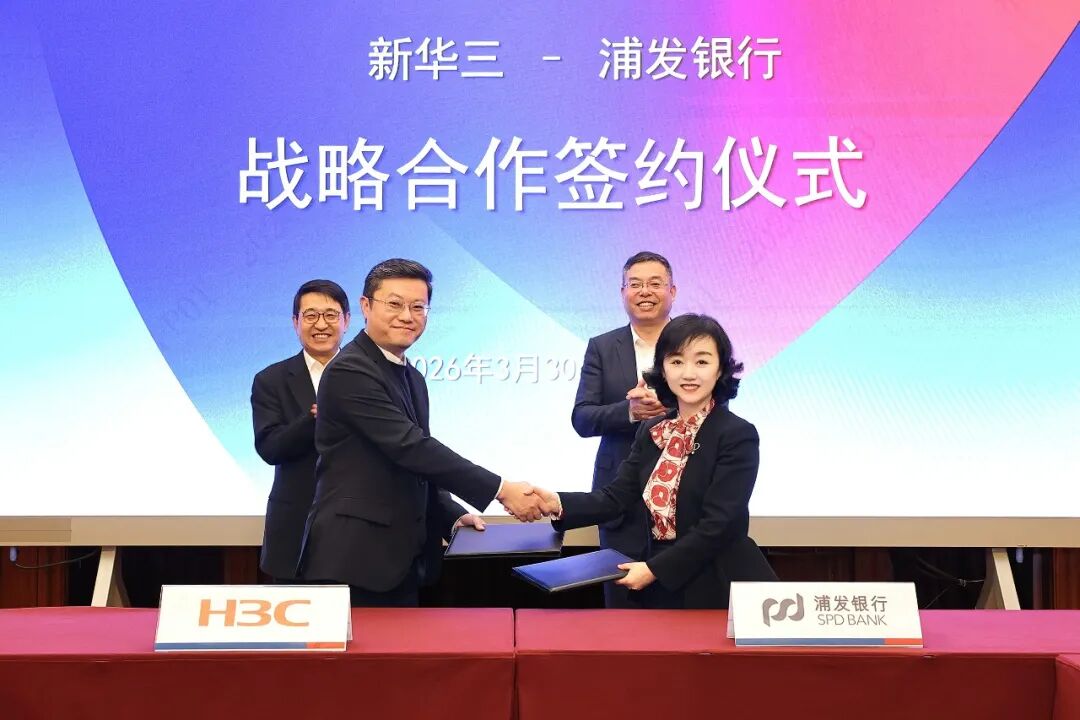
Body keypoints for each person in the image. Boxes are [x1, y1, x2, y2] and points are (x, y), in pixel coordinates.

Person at [298, 258, 543, 606]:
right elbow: (410, 447)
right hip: (353, 559)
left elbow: (418, 464)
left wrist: (451, 514)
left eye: (418, 307)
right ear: (366, 306)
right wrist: (501, 489)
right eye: (394, 304)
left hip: (398, 560)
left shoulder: (411, 375)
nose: (407, 316)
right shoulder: (350, 370)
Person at [541, 314, 777, 609]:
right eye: (676, 361)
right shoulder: (653, 429)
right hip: (663, 583)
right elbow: (616, 497)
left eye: (702, 362)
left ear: (720, 370)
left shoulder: (737, 434)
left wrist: (655, 570)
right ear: (662, 370)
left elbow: (720, 524)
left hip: (717, 584)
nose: (688, 373)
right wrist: (555, 503)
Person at [571, 251, 677, 607]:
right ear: (622, 292)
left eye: (655, 283)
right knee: (621, 607)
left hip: (683, 493)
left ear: (672, 291)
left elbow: (718, 407)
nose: (645, 291)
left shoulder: (695, 343)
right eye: (635, 284)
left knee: (681, 608)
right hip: (619, 496)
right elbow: (582, 418)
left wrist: (671, 406)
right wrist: (629, 411)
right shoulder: (602, 347)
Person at [252, 279, 350, 582]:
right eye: (310, 315)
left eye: (331, 315)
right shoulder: (271, 379)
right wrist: (313, 419)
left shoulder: (373, 376)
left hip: (360, 530)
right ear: (295, 322)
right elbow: (270, 448)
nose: (321, 324)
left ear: (347, 320)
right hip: (295, 531)